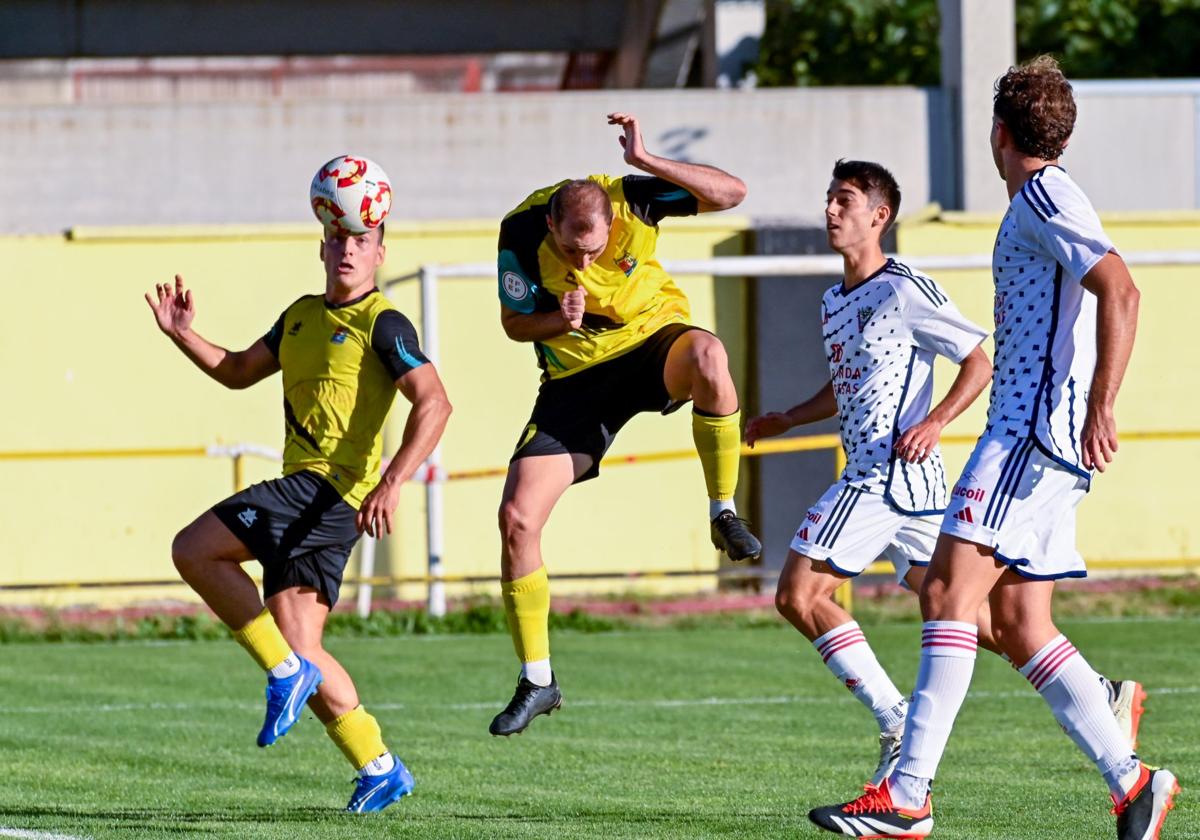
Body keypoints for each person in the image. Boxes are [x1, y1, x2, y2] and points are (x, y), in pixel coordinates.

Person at [808, 56, 1178, 840]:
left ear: (998, 133)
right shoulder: (1039, 200)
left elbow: (1121, 287)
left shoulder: (1045, 193)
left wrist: (1101, 404)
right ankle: (1135, 782)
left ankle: (907, 797)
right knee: (1017, 623)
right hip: (1034, 441)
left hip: (1026, 440)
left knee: (946, 595)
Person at [749, 159, 1144, 792]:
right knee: (978, 618)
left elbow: (977, 363)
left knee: (799, 593)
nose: (830, 210)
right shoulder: (832, 302)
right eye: (828, 198)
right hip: (910, 488)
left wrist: (933, 423)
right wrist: (790, 418)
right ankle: (1100, 691)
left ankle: (895, 719)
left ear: (879, 216)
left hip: (886, 473)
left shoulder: (907, 287)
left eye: (844, 200)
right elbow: (845, 384)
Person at [145, 218, 452, 813]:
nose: (348, 250)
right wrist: (184, 335)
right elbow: (237, 371)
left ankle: (283, 671)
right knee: (304, 649)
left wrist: (392, 482)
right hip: (314, 500)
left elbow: (435, 402)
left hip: (326, 494)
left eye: (361, 242)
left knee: (193, 549)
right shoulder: (299, 316)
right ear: (321, 247)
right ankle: (378, 765)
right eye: (338, 239)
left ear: (379, 253)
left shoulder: (383, 323)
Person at [488, 112, 758, 736]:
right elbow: (513, 323)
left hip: (653, 344)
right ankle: (537, 680)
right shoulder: (522, 232)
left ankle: (722, 510)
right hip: (575, 378)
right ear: (552, 223)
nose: (582, 261)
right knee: (516, 519)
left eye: (595, 247)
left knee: (712, 357)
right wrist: (561, 321)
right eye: (570, 248)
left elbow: (733, 192)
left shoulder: (634, 198)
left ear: (611, 223)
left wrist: (651, 161)